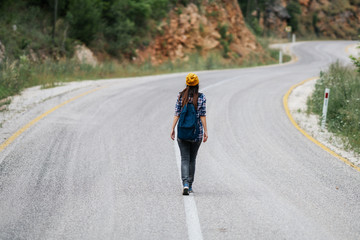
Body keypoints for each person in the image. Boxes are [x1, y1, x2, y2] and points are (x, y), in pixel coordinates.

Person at [170, 73, 208, 195]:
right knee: (192, 159)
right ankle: (190, 185)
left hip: (182, 132)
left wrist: (172, 129)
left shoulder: (181, 97)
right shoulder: (201, 98)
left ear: (187, 84)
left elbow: (177, 113)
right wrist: (206, 131)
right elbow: (202, 115)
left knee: (184, 159)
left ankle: (185, 184)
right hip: (196, 134)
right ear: (197, 84)